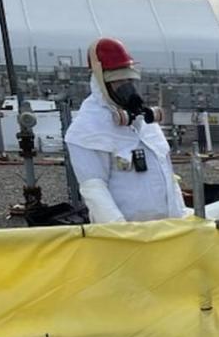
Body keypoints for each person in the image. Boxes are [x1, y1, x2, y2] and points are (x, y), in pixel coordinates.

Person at [65, 38, 188, 223]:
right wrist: (122, 232)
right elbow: (94, 189)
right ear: (101, 82)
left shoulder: (145, 124)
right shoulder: (87, 129)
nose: (127, 88)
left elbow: (167, 176)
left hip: (167, 230)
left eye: (129, 80)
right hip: (129, 237)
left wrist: (182, 219)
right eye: (118, 81)